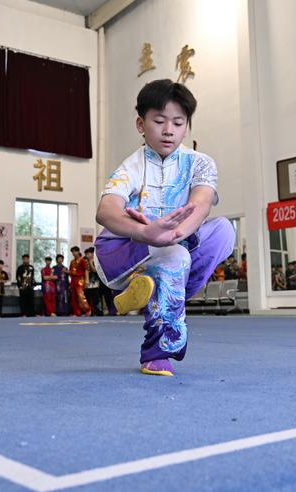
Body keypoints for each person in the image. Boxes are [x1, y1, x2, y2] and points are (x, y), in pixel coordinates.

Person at [94, 79, 234, 377]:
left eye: (178, 123)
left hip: (173, 242)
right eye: (159, 121)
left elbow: (202, 202)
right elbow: (106, 211)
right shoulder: (131, 167)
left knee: (223, 231)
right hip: (122, 251)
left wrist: (174, 235)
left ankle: (150, 287)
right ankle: (156, 352)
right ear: (140, 124)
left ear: (186, 126)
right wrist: (146, 233)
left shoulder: (200, 164)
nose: (168, 130)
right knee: (176, 256)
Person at [68, 246, 91, 317]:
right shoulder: (72, 262)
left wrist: (87, 280)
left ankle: (88, 310)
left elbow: (86, 270)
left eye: (75, 251)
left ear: (78, 252)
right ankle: (77, 313)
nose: (73, 253)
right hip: (73, 281)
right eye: (72, 252)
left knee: (81, 296)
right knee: (74, 297)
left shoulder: (82, 260)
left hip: (80, 280)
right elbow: (70, 271)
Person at [84, 247, 102, 315]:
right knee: (88, 298)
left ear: (92, 254)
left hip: (95, 283)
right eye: (86, 254)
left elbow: (95, 270)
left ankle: (99, 312)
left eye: (88, 254)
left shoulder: (96, 261)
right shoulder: (85, 261)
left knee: (96, 299)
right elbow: (85, 271)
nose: (87, 255)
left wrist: (91, 263)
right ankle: (91, 312)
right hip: (88, 284)